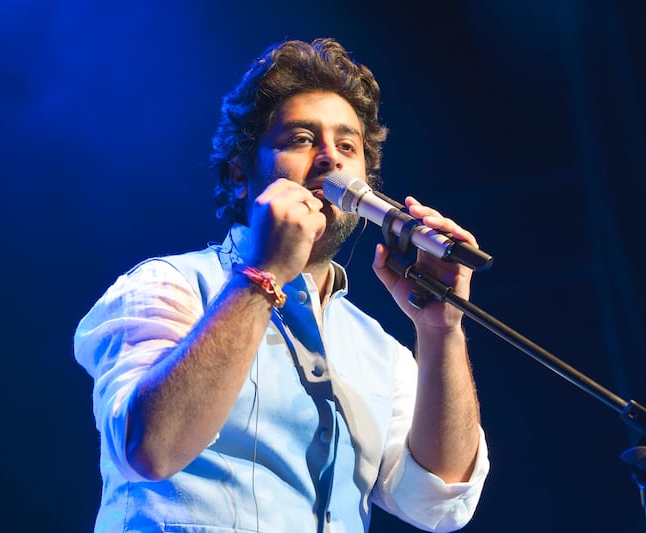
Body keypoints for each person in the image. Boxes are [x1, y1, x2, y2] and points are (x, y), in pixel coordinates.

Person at [74, 37, 490, 533]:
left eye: (347, 146)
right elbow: (149, 449)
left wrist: (441, 329)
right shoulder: (167, 286)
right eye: (299, 139)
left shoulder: (380, 352)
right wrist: (265, 275)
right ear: (239, 176)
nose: (329, 159)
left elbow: (437, 503)